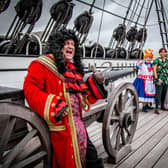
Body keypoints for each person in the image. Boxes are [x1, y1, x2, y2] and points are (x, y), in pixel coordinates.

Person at [23, 28, 107, 168]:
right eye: (66, 43)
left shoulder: (72, 68)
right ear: (57, 45)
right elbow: (30, 90)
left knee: (91, 157)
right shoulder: (41, 64)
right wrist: (55, 105)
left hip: (77, 124)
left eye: (73, 44)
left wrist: (95, 82)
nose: (70, 47)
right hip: (61, 126)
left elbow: (85, 99)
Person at [153, 48, 168, 114]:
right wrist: (157, 79)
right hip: (159, 78)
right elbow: (154, 70)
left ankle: (162, 106)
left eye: (164, 52)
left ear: (166, 53)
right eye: (161, 52)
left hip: (166, 79)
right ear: (159, 53)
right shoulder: (157, 60)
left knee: (164, 93)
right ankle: (156, 108)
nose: (163, 53)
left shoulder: (167, 60)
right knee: (158, 94)